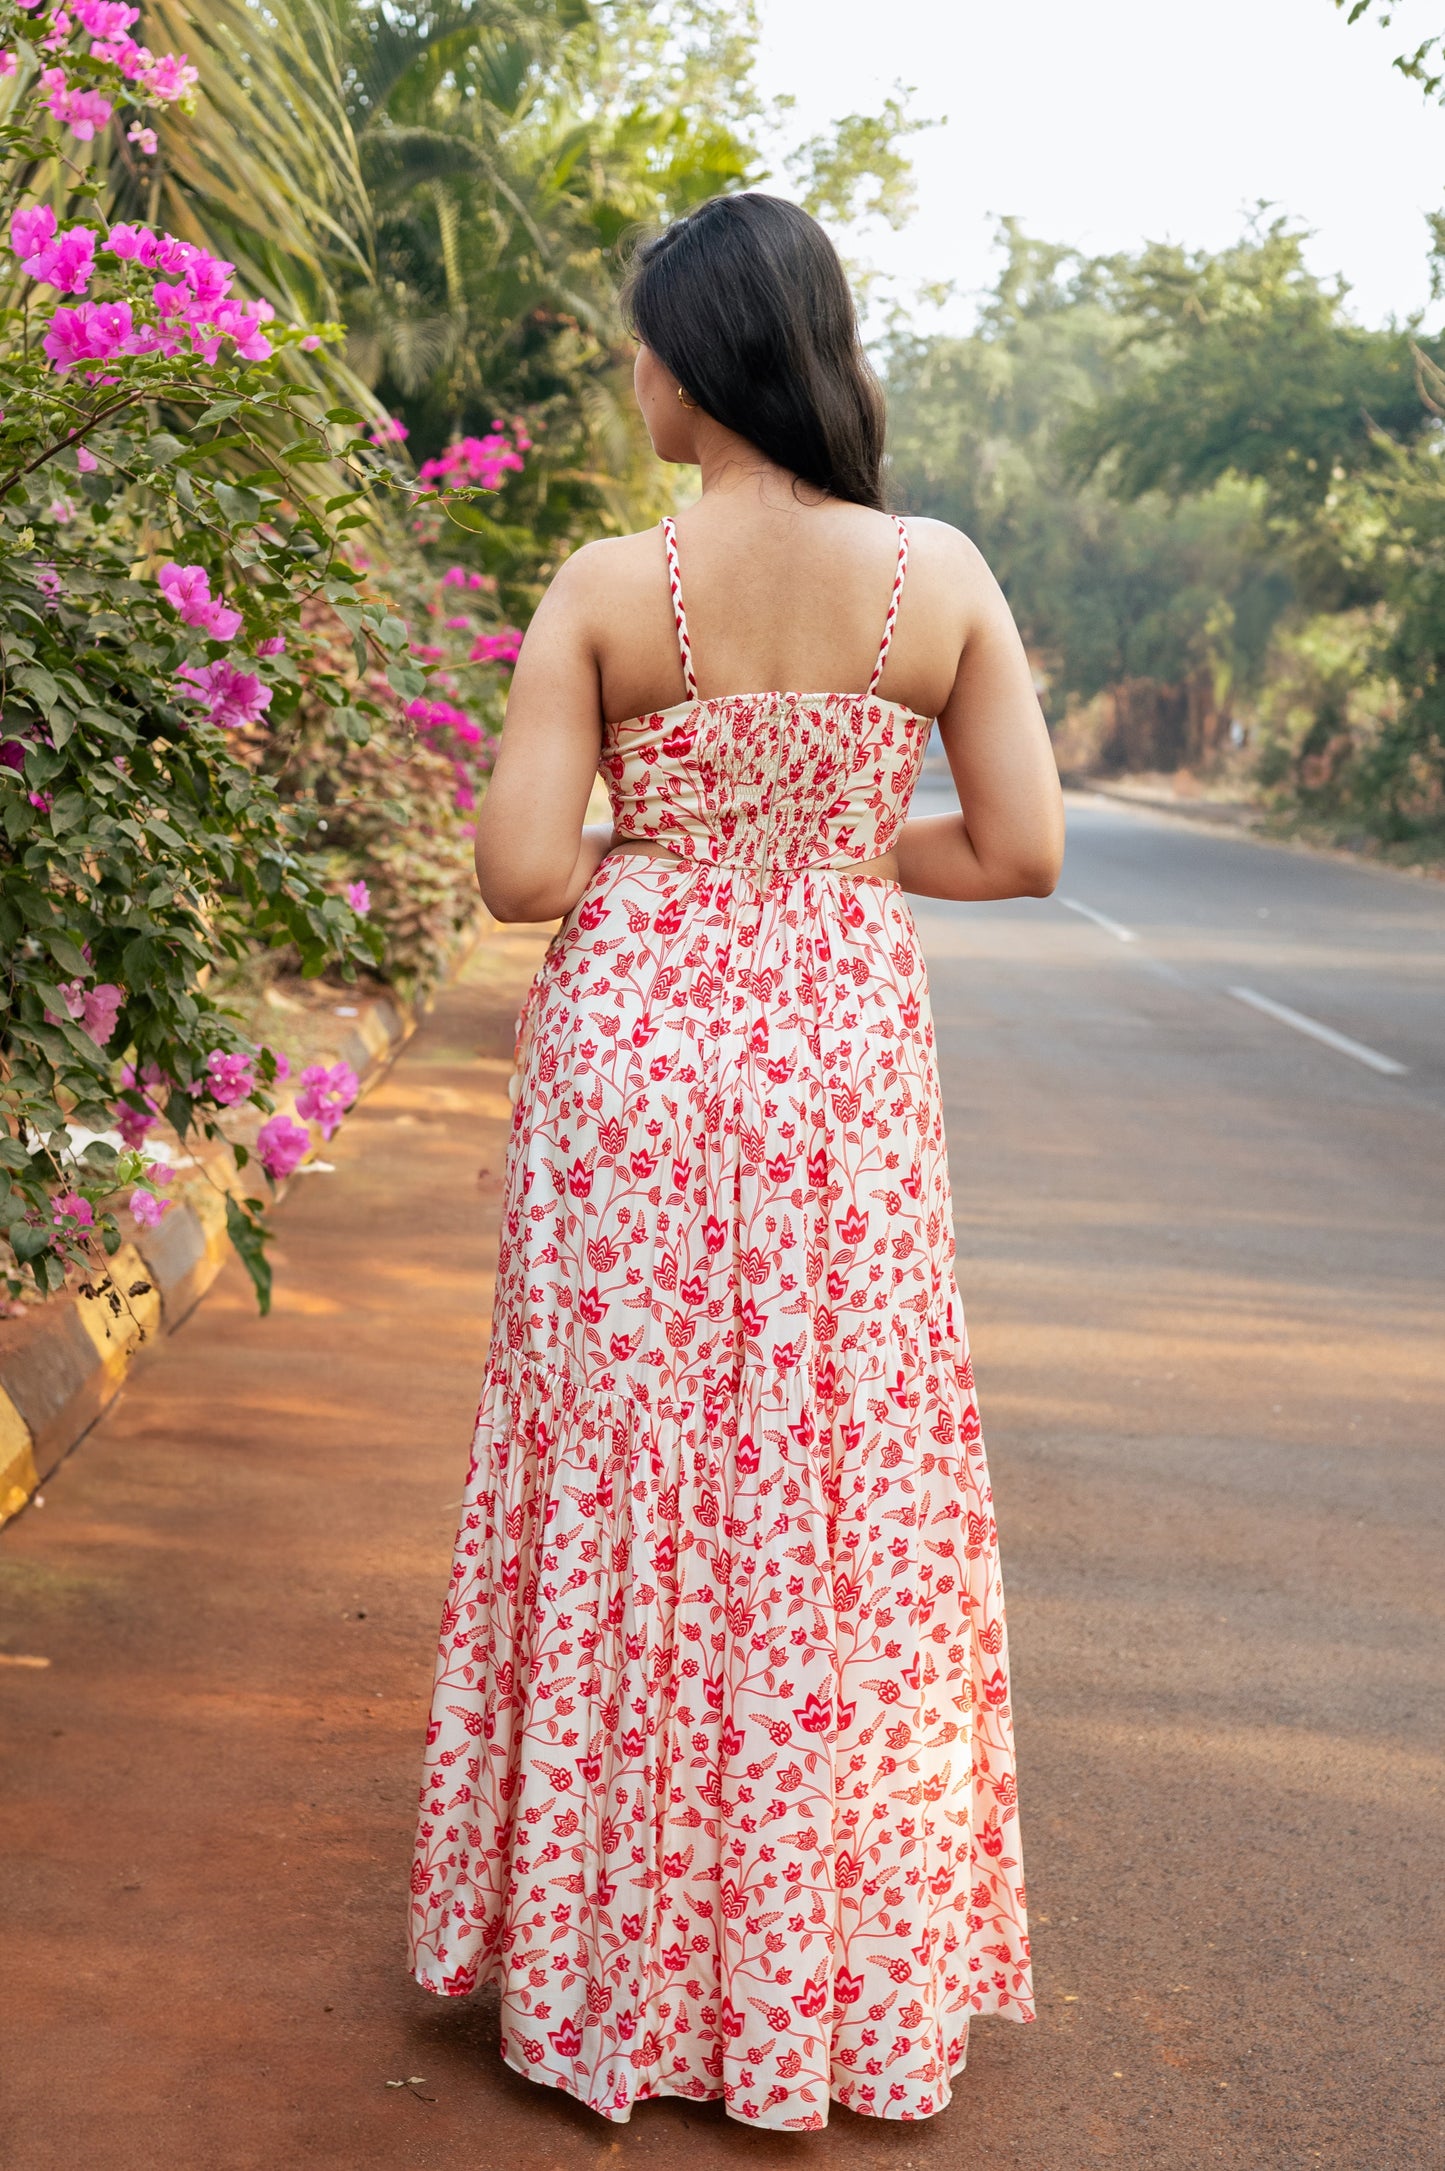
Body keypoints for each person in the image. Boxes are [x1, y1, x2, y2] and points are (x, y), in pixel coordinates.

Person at [408, 191, 1065, 2131]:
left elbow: (525, 877)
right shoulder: (935, 578)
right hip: (842, 1067)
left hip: (637, 1049)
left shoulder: (614, 590)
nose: (637, 372)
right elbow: (1019, 851)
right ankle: (808, 1987)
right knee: (832, 1486)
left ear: (693, 361)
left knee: (623, 1472)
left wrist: (661, 853)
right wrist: (843, 857)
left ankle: (609, 1979)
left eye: (644, 342)